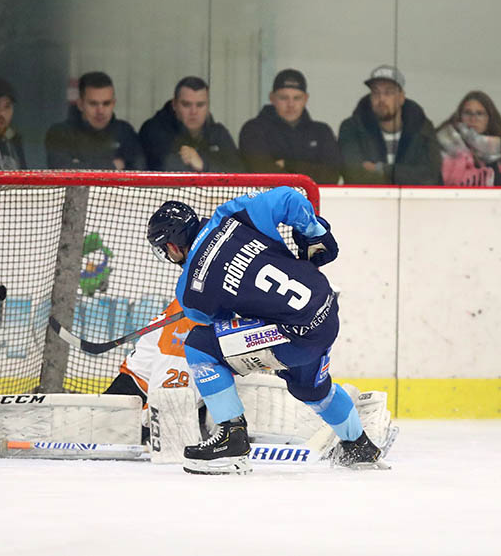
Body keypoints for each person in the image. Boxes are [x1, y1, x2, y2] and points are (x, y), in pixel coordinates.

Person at [146, 187, 383, 475]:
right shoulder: (232, 215)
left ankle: (231, 439)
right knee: (311, 389)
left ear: (171, 247)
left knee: (199, 346)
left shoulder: (189, 290)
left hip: (291, 335)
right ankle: (359, 446)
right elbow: (289, 198)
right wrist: (313, 232)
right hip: (325, 310)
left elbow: (217, 322)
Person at [338, 65, 440, 185]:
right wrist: (405, 175)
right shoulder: (352, 128)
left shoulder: (422, 128)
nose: (381, 99)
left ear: (401, 98)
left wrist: (381, 169)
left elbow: (430, 176)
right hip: (366, 202)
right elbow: (353, 175)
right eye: (376, 92)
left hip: (414, 202)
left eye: (388, 92)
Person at [239, 69, 340, 184]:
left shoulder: (322, 132)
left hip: (314, 201)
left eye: (297, 98)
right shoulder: (253, 130)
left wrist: (289, 164)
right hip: (268, 201)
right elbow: (262, 174)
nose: (291, 104)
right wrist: (309, 172)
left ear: (306, 99)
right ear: (272, 98)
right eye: (283, 98)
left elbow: (332, 176)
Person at [139, 76, 244, 173]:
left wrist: (204, 165)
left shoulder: (218, 133)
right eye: (186, 104)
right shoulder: (154, 130)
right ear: (174, 105)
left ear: (208, 106)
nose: (193, 111)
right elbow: (163, 167)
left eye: (200, 105)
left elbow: (240, 173)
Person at [45, 71, 145, 170]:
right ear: (80, 104)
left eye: (106, 103)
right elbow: (62, 174)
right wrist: (113, 166)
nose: (100, 111)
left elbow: (140, 175)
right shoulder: (60, 133)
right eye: (93, 104)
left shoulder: (125, 132)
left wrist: (80, 166)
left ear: (113, 104)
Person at [436, 91, 501, 186]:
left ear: (489, 118)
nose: (473, 119)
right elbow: (458, 182)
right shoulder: (448, 142)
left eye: (479, 114)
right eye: (468, 113)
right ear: (460, 117)